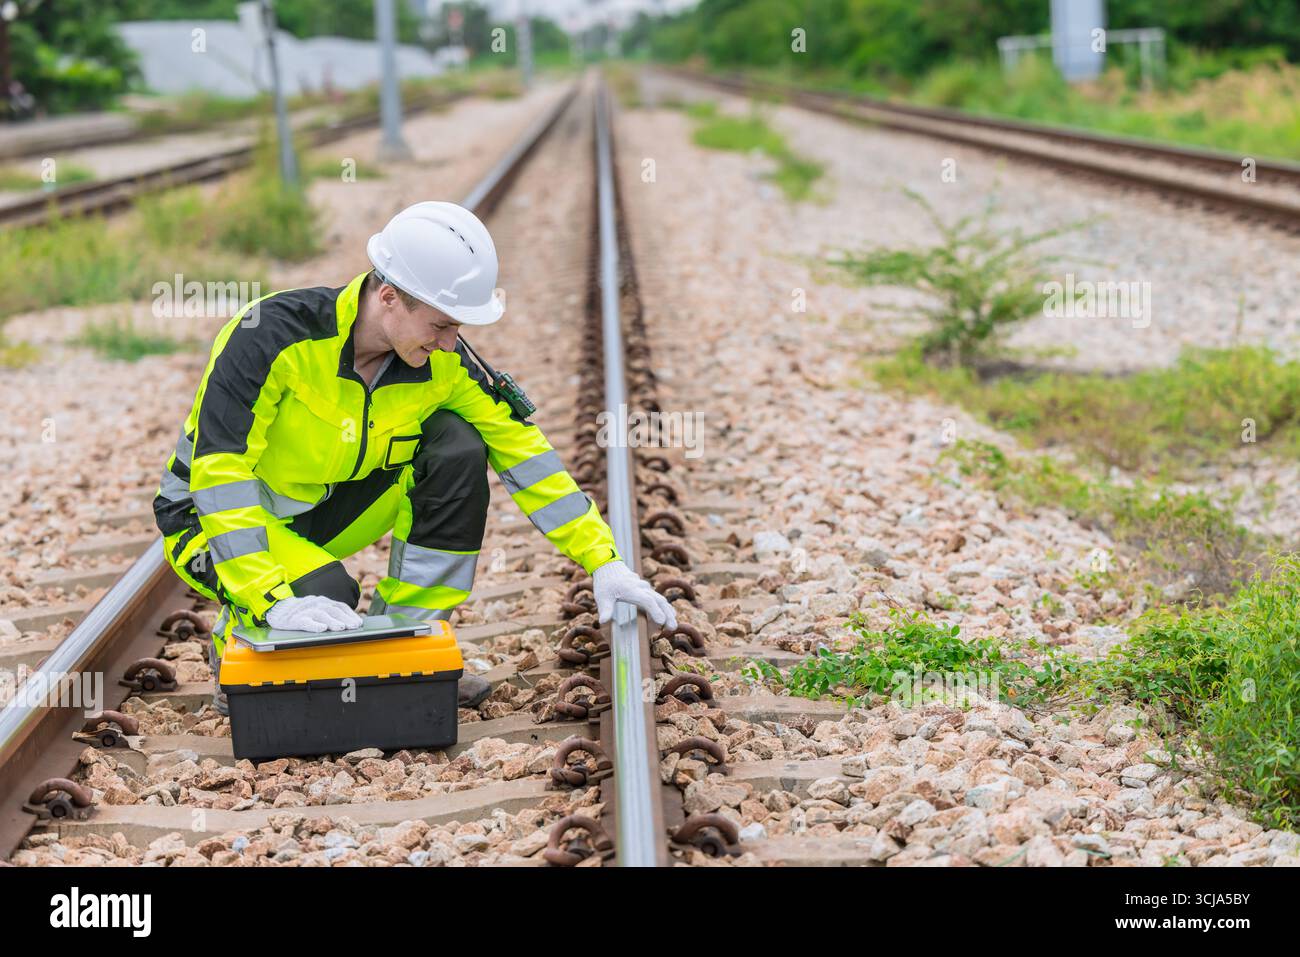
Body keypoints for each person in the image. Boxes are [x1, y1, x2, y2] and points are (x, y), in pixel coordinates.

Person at [152, 201, 676, 712]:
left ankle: (403, 646)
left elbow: (525, 453)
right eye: (440, 325)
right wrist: (271, 597)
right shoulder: (268, 336)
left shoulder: (442, 365)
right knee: (327, 596)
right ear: (387, 297)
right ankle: (238, 650)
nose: (450, 345)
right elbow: (220, 472)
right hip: (208, 519)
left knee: (457, 445)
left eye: (457, 330)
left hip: (322, 511)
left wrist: (603, 560)